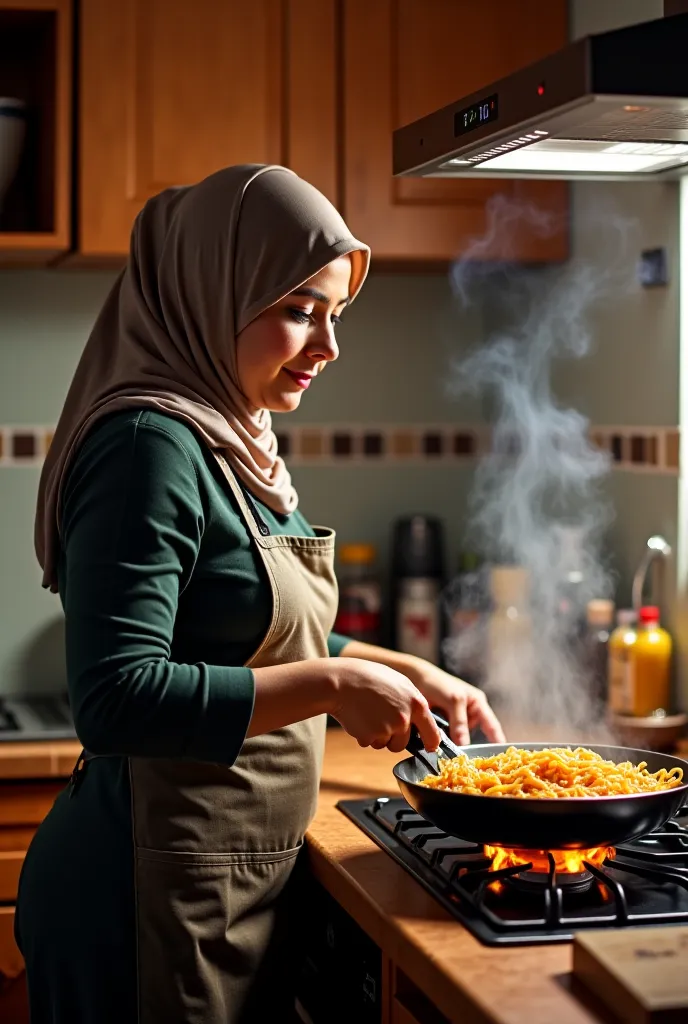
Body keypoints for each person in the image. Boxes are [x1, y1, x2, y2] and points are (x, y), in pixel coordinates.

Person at [17, 164, 505, 1024]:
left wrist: (408, 669)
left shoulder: (233, 434)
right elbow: (115, 696)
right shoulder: (147, 445)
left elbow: (255, 629)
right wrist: (331, 686)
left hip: (221, 882)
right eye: (299, 311)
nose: (328, 346)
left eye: (333, 315)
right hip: (145, 897)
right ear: (214, 291)